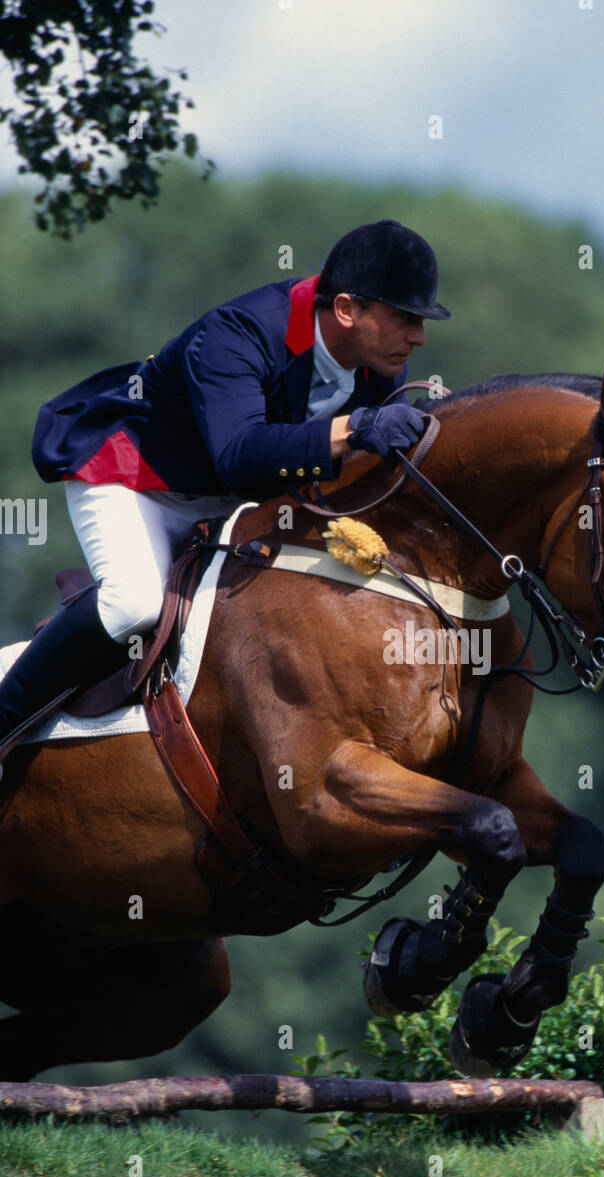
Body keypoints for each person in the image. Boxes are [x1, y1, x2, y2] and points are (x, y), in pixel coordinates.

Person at [0, 219, 450, 770]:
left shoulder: (376, 365)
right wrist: (354, 429)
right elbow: (238, 454)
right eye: (405, 318)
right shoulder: (239, 332)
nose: (419, 337)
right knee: (134, 603)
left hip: (227, 502)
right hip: (136, 481)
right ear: (346, 309)